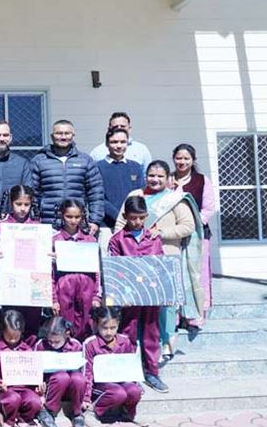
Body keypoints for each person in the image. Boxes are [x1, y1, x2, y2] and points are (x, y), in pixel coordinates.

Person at [115, 162, 205, 363]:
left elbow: (188, 226)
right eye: (151, 175)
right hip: (135, 259)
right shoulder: (135, 195)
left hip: (165, 258)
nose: (155, 179)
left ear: (168, 178)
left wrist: (161, 233)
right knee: (138, 303)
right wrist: (121, 243)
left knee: (165, 305)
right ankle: (136, 344)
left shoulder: (174, 199)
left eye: (160, 176)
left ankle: (166, 344)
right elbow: (121, 223)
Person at [110, 195, 167, 393]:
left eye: (141, 218)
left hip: (150, 295)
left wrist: (162, 291)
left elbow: (160, 265)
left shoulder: (153, 237)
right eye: (133, 218)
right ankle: (128, 374)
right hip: (129, 297)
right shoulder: (117, 240)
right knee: (127, 333)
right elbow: (115, 269)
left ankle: (152, 372)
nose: (137, 222)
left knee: (152, 333)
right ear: (125, 216)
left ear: (146, 216)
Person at [25, 120, 104, 230]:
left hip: (77, 223)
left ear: (73, 135)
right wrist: (34, 220)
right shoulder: (39, 161)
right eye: (59, 133)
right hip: (47, 223)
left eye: (67, 133)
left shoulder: (85, 161)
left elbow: (96, 193)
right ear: (52, 136)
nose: (63, 137)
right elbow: (32, 194)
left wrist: (95, 220)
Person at [171, 143, 215, 330]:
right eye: (179, 158)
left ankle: (194, 317)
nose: (182, 162)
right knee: (175, 274)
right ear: (173, 158)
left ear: (193, 160)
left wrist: (193, 225)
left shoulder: (202, 180)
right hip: (172, 235)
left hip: (197, 234)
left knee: (197, 275)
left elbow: (209, 208)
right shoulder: (168, 179)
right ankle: (175, 316)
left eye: (186, 158)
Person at [0, 185, 43, 334]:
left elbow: (43, 250)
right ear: (11, 203)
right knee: (11, 319)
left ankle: (31, 348)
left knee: (32, 319)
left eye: (27, 204)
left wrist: (48, 256)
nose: (23, 208)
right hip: (11, 281)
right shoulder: (2, 224)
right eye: (18, 204)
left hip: (32, 281)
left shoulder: (37, 224)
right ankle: (10, 348)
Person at [82, 306, 143, 427]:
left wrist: (136, 383)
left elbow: (130, 366)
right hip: (100, 386)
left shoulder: (125, 341)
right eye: (104, 328)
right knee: (118, 393)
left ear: (118, 325)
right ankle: (93, 412)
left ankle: (128, 413)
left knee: (134, 390)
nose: (108, 332)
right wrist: (86, 397)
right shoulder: (90, 344)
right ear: (96, 325)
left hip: (121, 381)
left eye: (113, 328)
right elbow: (87, 371)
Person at [51, 199, 100, 341]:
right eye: (69, 216)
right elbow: (50, 273)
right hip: (64, 289)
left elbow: (97, 271)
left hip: (87, 289)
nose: (73, 221)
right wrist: (54, 298)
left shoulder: (89, 240)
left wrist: (97, 296)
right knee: (65, 326)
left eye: (77, 217)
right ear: (62, 215)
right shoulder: (54, 240)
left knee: (87, 326)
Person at [0, 310, 41, 427]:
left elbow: (33, 373)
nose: (12, 340)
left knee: (35, 401)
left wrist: (38, 384)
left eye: (16, 337)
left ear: (22, 332)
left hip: (24, 388)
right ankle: (9, 420)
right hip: (5, 391)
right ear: (2, 331)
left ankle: (24, 419)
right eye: (9, 336)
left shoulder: (27, 350)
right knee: (13, 399)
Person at [34, 316, 86, 427]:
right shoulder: (41, 345)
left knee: (79, 378)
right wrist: (39, 388)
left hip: (72, 385)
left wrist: (87, 397)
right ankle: (48, 410)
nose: (53, 344)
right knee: (61, 376)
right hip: (52, 385)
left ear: (67, 334)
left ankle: (77, 412)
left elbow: (82, 369)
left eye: (57, 341)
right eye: (50, 341)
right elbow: (35, 369)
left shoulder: (75, 345)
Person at [96, 128, 144, 229]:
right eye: (114, 142)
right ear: (107, 144)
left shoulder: (135, 166)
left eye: (123, 142)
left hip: (133, 225)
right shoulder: (97, 167)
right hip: (107, 226)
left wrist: (133, 218)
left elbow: (141, 195)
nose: (119, 146)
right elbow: (99, 198)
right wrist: (120, 218)